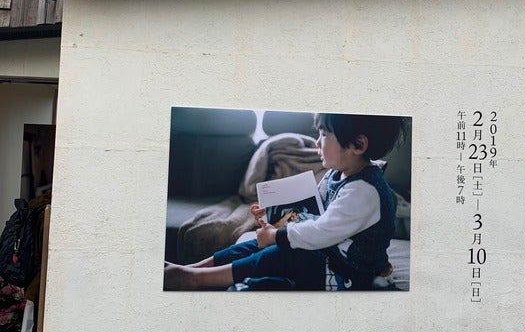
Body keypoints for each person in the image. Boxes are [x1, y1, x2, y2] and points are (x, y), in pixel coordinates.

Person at [164, 113, 406, 291]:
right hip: (329, 253)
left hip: (350, 274)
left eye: (324, 134)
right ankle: (195, 267)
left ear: (358, 145)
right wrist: (273, 217)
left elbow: (320, 231)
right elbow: (314, 209)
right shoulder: (336, 174)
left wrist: (275, 236)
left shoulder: (364, 191)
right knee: (257, 244)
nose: (317, 142)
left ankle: (195, 279)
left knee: (284, 253)